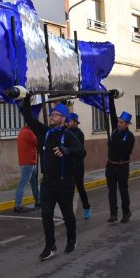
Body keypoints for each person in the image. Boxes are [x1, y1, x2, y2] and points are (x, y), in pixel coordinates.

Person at [22, 97, 85, 260]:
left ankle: (72, 240)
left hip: (65, 182)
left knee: (67, 214)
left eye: (56, 115)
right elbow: (29, 117)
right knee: (46, 214)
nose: (52, 116)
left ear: (64, 119)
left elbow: (81, 152)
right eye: (51, 114)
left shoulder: (69, 136)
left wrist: (67, 150)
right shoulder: (44, 132)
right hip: (47, 182)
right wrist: (27, 96)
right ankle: (50, 246)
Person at [106, 93, 135, 223]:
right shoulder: (115, 130)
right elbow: (112, 113)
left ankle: (126, 212)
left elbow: (126, 150)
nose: (118, 123)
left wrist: (112, 143)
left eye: (122, 122)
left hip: (122, 166)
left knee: (123, 190)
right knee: (111, 190)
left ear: (127, 124)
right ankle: (113, 213)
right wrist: (111, 98)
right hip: (110, 166)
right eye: (118, 121)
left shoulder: (130, 136)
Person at [66, 112, 91, 219]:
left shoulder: (79, 134)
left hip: (78, 165)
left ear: (76, 122)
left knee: (80, 187)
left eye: (70, 121)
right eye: (68, 121)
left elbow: (75, 149)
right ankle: (68, 213)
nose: (68, 123)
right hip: (69, 165)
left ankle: (87, 208)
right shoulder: (66, 131)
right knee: (68, 190)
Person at [14, 123, 39, 212]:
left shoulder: (22, 132)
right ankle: (18, 206)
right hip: (28, 162)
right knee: (22, 184)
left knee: (35, 183)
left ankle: (38, 201)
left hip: (28, 162)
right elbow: (37, 142)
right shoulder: (28, 133)